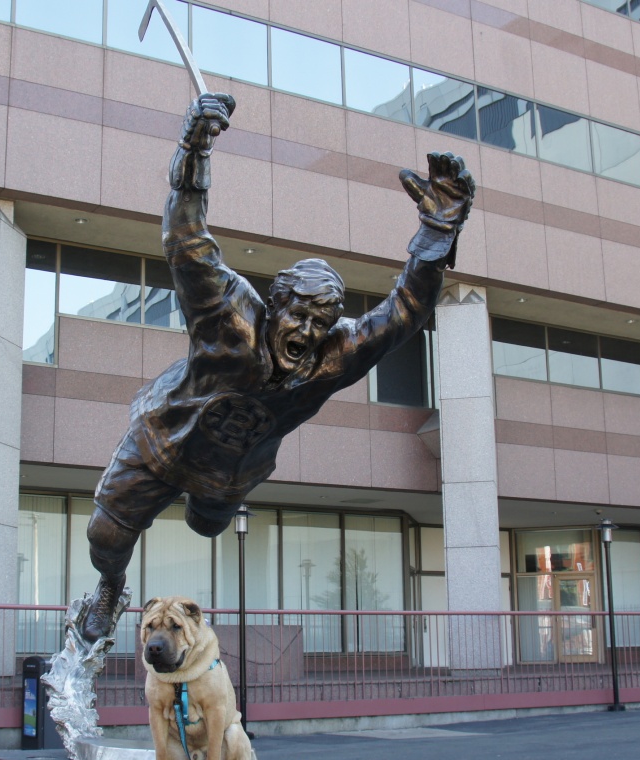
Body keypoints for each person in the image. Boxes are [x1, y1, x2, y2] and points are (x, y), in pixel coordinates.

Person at [79, 92, 476, 642]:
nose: (309, 332)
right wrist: (194, 149)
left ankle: (205, 505)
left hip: (232, 467)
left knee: (206, 524)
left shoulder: (334, 356)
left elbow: (404, 313)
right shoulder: (230, 317)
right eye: (301, 316)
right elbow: (186, 239)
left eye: (324, 321)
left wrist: (437, 236)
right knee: (107, 534)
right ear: (276, 306)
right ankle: (107, 589)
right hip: (165, 437)